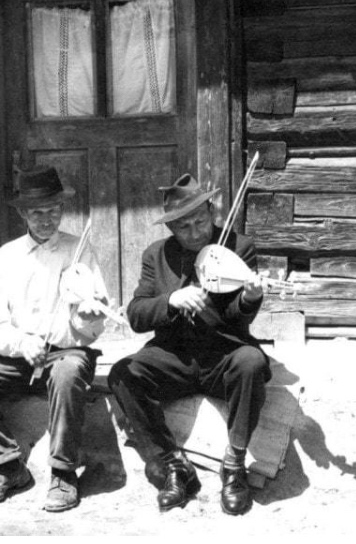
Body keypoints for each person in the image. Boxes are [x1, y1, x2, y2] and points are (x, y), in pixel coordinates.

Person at [107, 173, 270, 516]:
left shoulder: (238, 247)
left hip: (223, 353)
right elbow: (136, 315)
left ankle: (235, 465)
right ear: (171, 229)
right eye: (184, 227)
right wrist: (171, 300)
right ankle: (171, 465)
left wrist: (250, 299)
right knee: (123, 374)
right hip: (174, 357)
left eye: (202, 221)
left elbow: (239, 319)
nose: (196, 233)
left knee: (251, 362)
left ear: (213, 211)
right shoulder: (156, 255)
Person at [0, 166, 108, 512]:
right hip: (17, 359)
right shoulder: (8, 255)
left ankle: (64, 474)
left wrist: (89, 317)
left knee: (67, 372)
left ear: (62, 210)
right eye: (37, 212)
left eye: (54, 210)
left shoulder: (78, 250)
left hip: (64, 354)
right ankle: (6, 465)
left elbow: (91, 329)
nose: (47, 219)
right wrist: (23, 343)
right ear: (23, 213)